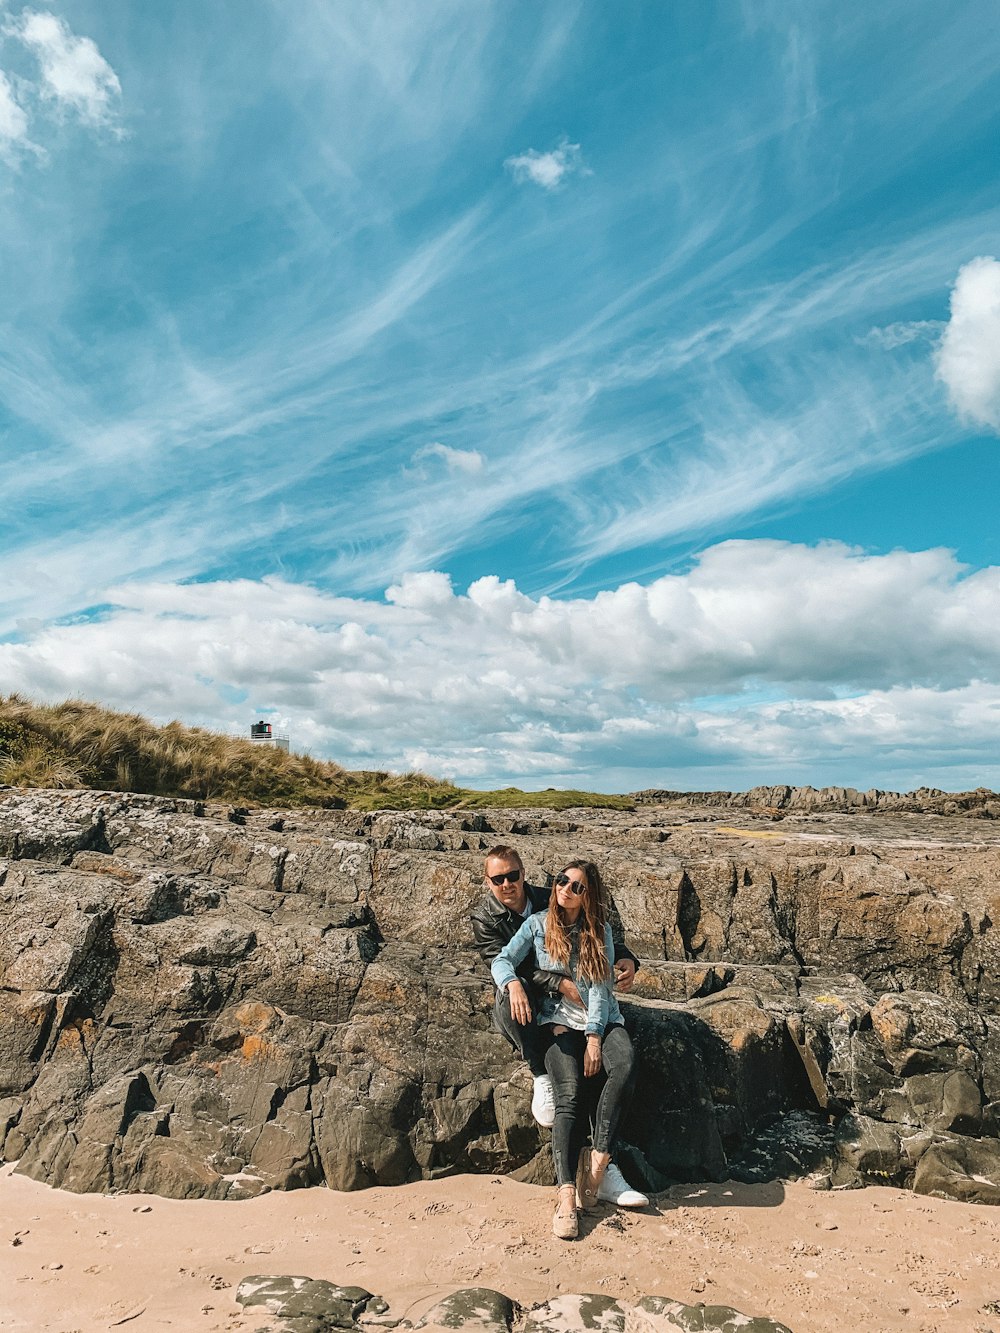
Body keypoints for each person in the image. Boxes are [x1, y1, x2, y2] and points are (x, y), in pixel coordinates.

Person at [491, 858, 639, 1238]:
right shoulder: (538, 923)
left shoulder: (599, 930)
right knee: (569, 1094)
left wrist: (594, 1036)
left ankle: (599, 1165)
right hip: (557, 1021)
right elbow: (502, 959)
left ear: (588, 897)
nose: (566, 889)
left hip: (601, 1019)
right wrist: (513, 983)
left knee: (623, 1065)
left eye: (577, 887)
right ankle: (566, 1198)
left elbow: (603, 991)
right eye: (562, 881)